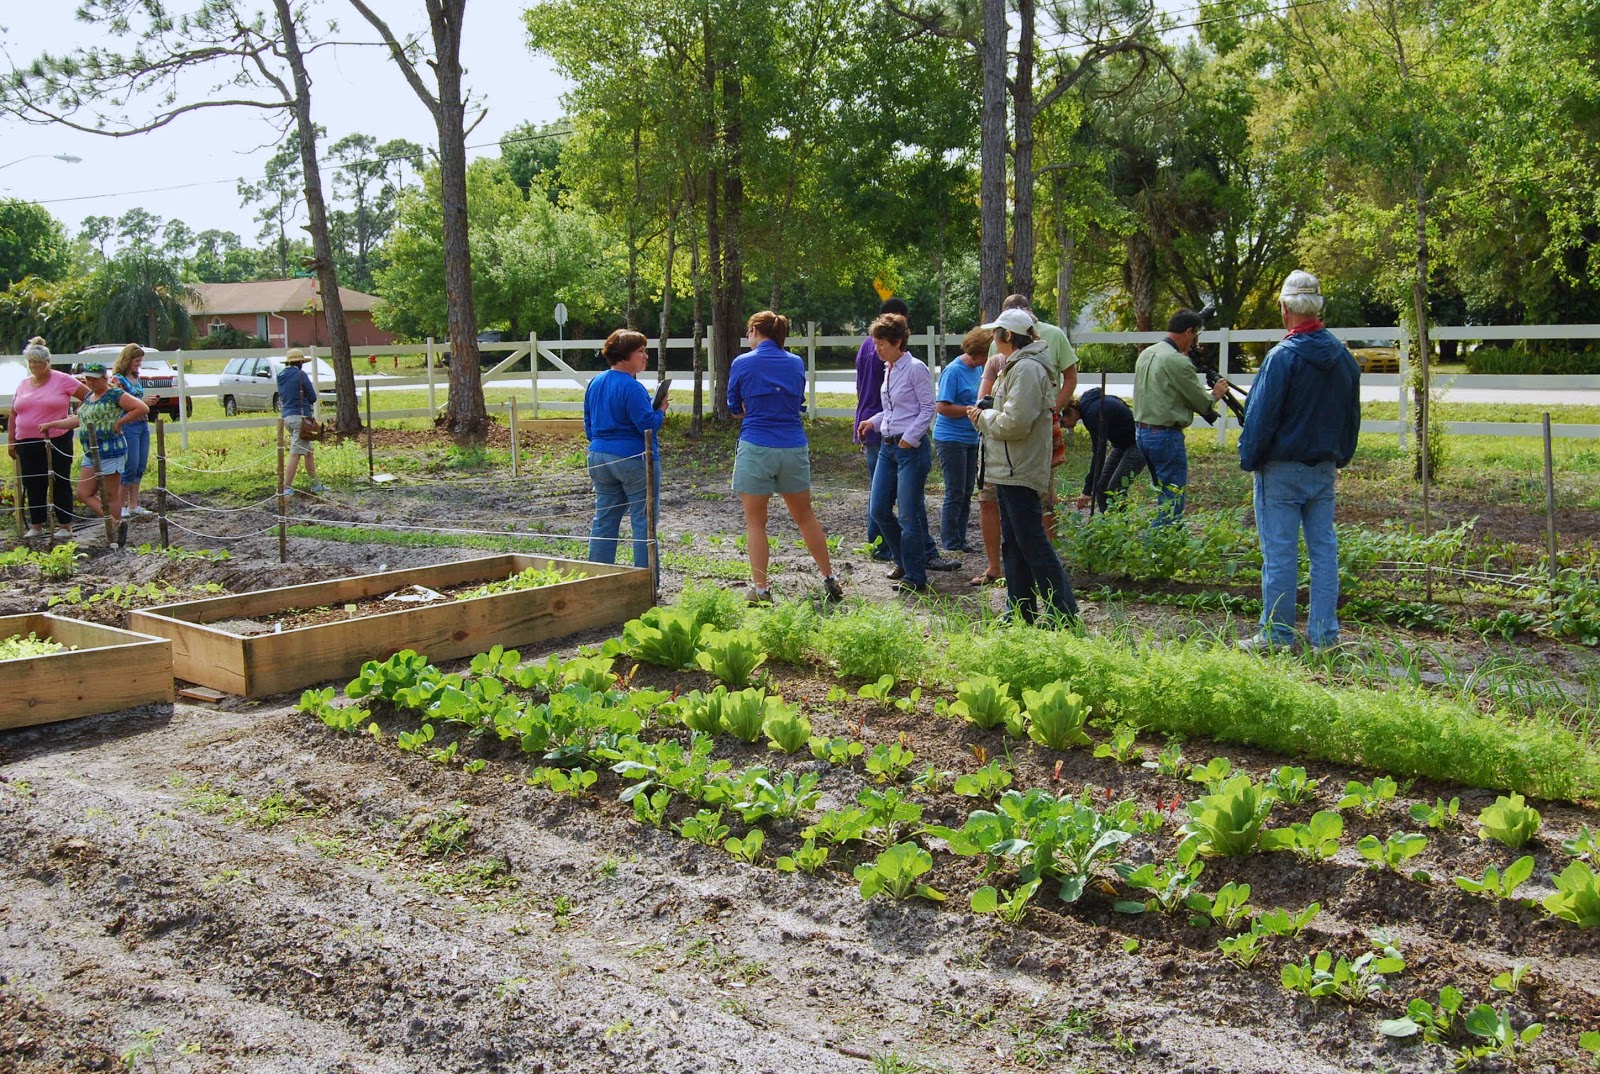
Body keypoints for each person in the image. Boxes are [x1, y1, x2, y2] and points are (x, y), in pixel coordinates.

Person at [1237, 270, 1361, 652]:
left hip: (1281, 469)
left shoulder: (1282, 358)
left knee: (1280, 554)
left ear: (1285, 307)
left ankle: (1276, 633)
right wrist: (1340, 455)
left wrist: (1249, 457)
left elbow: (1261, 416)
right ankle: (1325, 636)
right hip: (1323, 467)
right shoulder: (1343, 357)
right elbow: (1351, 415)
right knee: (1324, 552)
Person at [968, 309, 1079, 625]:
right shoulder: (1017, 365)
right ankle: (1020, 611)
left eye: (996, 332)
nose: (992, 337)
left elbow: (1015, 424)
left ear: (1007, 335)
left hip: (1019, 468)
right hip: (1009, 467)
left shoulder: (1027, 369)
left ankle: (1064, 612)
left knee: (1032, 541)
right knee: (1014, 542)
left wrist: (983, 417)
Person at [728, 310, 844, 606]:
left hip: (757, 444)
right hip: (793, 444)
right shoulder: (795, 362)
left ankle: (762, 589)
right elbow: (797, 401)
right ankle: (829, 577)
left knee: (756, 522)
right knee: (805, 516)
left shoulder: (742, 362)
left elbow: (734, 408)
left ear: (755, 330)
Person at [852, 298, 951, 570]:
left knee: (909, 514)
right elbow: (894, 409)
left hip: (909, 450)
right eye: (875, 344)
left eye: (880, 344)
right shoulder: (889, 369)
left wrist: (910, 437)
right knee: (880, 510)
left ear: (897, 343)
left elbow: (927, 407)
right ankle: (903, 559)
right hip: (887, 447)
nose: (876, 349)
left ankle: (915, 574)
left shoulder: (915, 368)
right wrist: (872, 421)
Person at [1132, 309, 1232, 523]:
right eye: (1195, 336)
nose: (1194, 342)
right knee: (1173, 499)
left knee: (1163, 494)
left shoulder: (1147, 353)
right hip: (1166, 436)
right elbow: (1202, 403)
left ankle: (1160, 545)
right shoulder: (1177, 361)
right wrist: (1217, 394)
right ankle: (1160, 548)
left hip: (1142, 433)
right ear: (1188, 332)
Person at [584, 328, 667, 575]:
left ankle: (596, 577)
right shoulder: (632, 387)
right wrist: (660, 409)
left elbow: (589, 425)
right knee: (643, 521)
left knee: (605, 519)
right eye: (640, 351)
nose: (645, 356)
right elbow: (648, 426)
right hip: (633, 459)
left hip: (599, 457)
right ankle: (645, 582)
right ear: (625, 356)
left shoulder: (595, 383)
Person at [38, 362, 148, 543]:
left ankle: (113, 533)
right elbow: (78, 420)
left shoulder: (115, 394)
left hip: (111, 451)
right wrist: (53, 424)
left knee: (111, 494)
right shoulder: (89, 397)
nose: (90, 382)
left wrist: (120, 422)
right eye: (87, 379)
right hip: (91, 452)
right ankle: (114, 523)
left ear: (104, 378)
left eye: (94, 379)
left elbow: (141, 408)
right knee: (83, 493)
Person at [6, 337, 87, 539]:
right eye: (31, 362)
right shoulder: (23, 384)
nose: (34, 366)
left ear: (47, 362)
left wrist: (76, 416)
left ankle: (65, 525)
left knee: (59, 480)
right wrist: (11, 440)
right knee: (33, 482)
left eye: (38, 362)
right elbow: (14, 413)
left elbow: (89, 397)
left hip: (56, 439)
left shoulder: (62, 379)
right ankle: (36, 524)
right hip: (27, 441)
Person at [932, 328, 989, 553]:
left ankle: (961, 538)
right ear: (976, 353)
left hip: (971, 438)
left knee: (967, 491)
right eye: (986, 354)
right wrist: (970, 410)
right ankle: (950, 541)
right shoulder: (954, 371)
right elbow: (942, 407)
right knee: (954, 491)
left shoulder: (980, 370)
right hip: (950, 439)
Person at [1063, 388, 1148, 513]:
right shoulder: (1088, 407)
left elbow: (1099, 453)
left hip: (1137, 444)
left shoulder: (1093, 413)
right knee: (1102, 486)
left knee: (1115, 487)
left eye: (1062, 421)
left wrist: (1087, 490)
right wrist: (1091, 486)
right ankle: (1107, 523)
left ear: (1070, 411)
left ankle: (1120, 528)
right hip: (1121, 445)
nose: (1062, 426)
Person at [111, 343, 154, 518]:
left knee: (140, 465)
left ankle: (133, 504)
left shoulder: (137, 377)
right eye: (136, 361)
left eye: (140, 361)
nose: (138, 364)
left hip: (143, 423)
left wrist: (146, 402)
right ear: (127, 360)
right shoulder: (118, 380)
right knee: (130, 464)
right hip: (129, 424)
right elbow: (118, 403)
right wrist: (142, 403)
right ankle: (120, 505)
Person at [277, 349, 326, 496]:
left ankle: (316, 484)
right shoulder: (300, 375)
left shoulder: (280, 376)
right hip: (300, 418)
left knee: (308, 452)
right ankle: (285, 487)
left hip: (286, 417)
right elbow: (312, 397)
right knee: (296, 453)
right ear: (300, 363)